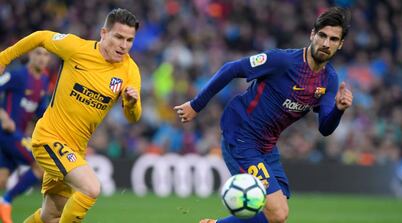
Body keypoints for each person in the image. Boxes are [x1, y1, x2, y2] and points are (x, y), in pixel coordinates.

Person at [174, 7, 353, 223]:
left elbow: (325, 127)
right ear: (312, 34)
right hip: (241, 136)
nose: (326, 43)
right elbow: (231, 69)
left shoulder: (329, 80)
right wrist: (196, 105)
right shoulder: (282, 61)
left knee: (277, 214)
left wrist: (338, 110)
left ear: (340, 44)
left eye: (333, 39)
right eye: (322, 35)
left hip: (267, 147)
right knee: (277, 213)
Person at [0, 8, 142, 223]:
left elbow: (133, 117)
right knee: (91, 188)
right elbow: (41, 37)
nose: (124, 45)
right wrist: (3, 59)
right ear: (104, 33)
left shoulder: (130, 71)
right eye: (118, 37)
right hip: (49, 138)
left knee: (51, 216)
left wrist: (132, 104)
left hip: (75, 150)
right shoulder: (76, 48)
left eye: (130, 40)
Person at [0, 47, 50, 223]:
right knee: (41, 165)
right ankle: (6, 201)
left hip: (17, 135)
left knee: (2, 179)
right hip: (7, 133)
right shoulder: (17, 76)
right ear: (30, 54)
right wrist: (3, 116)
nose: (42, 58)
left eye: (45, 55)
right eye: (38, 53)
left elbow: (39, 110)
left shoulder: (44, 80)